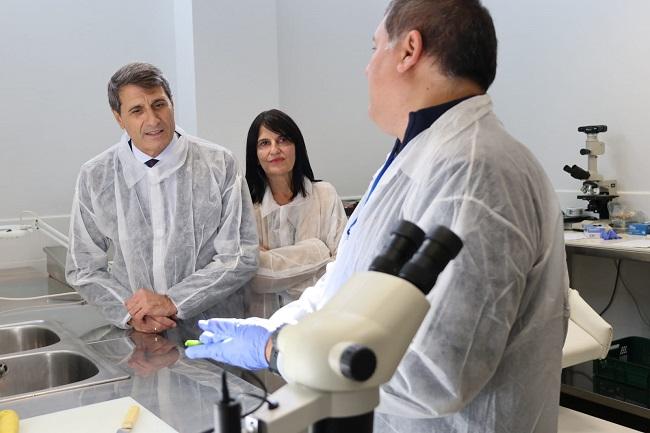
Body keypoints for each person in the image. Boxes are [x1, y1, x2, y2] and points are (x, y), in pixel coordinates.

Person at [186, 1, 569, 432]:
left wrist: (278, 349)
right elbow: (345, 285)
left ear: (409, 50)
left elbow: (434, 370)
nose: (367, 69)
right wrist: (266, 328)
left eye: (374, 48)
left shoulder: (474, 170)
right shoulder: (417, 155)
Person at [66, 62, 258, 333]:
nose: (153, 120)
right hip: (140, 338)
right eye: (137, 110)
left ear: (171, 103)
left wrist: (173, 301)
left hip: (213, 333)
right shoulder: (97, 176)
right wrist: (131, 313)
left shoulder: (219, 164)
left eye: (159, 104)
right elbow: (82, 267)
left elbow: (240, 256)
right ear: (119, 117)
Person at [244, 109, 347, 318]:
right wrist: (318, 250)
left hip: (319, 319)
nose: (274, 150)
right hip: (262, 323)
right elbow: (253, 277)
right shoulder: (244, 205)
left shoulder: (324, 195)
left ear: (296, 146)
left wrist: (271, 264)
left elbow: (341, 266)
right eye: (264, 143)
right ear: (254, 154)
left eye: (283, 140)